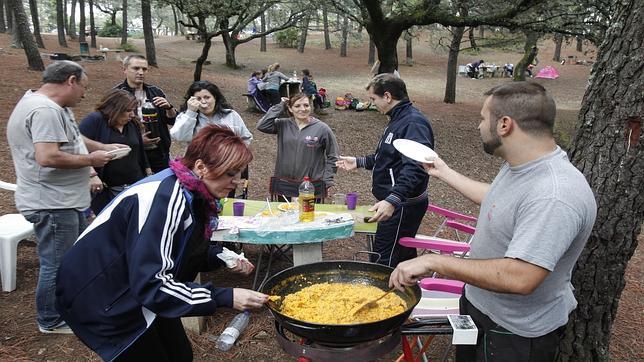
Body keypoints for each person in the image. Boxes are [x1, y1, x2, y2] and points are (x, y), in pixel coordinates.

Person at [389, 82, 597, 361]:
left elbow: (521, 277)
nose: (478, 126)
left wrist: (433, 261)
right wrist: (444, 172)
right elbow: (500, 199)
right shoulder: (521, 165)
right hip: (479, 306)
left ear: (504, 125)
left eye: (483, 118)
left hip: (514, 332)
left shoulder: (555, 194)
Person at [55, 125, 269, 361]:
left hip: (135, 288)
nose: (236, 182)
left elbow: (181, 247)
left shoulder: (194, 193)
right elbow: (152, 285)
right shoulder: (166, 199)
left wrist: (220, 256)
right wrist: (225, 297)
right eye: (230, 173)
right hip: (102, 299)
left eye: (239, 174)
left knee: (180, 354)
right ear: (200, 167)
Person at [6, 61, 119, 334]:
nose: (84, 94)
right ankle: (50, 320)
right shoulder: (44, 111)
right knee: (56, 264)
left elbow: (72, 139)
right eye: (83, 87)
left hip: (67, 200)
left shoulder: (52, 107)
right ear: (70, 80)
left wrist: (102, 146)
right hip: (53, 204)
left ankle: (73, 305)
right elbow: (48, 156)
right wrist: (92, 160)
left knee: (73, 259)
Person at [336, 74, 433, 267]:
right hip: (395, 203)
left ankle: (385, 295)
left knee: (384, 260)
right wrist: (359, 161)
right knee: (401, 257)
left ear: (387, 96)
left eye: (373, 99)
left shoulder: (413, 123)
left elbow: (416, 167)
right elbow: (388, 158)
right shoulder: (398, 119)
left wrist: (393, 199)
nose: (372, 103)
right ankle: (403, 291)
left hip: (402, 206)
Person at [171, 80, 253, 197]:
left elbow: (246, 137)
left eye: (207, 97)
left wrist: (237, 158)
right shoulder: (187, 116)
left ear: (215, 97)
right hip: (201, 171)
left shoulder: (230, 115)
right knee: (201, 201)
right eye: (198, 99)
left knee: (225, 200)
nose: (203, 102)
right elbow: (179, 136)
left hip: (227, 169)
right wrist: (191, 112)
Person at [80, 89, 151, 214]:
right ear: (115, 108)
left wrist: (148, 171)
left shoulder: (132, 124)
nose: (132, 115)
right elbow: (78, 148)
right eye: (128, 111)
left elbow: (139, 151)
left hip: (134, 183)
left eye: (133, 110)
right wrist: (92, 175)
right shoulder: (95, 120)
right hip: (106, 188)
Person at [257, 93, 339, 200]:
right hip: (284, 182)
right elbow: (262, 125)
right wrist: (280, 105)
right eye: (297, 106)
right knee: (284, 214)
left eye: (306, 105)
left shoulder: (322, 128)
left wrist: (327, 179)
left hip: (311, 184)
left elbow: (333, 155)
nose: (302, 109)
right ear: (290, 109)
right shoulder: (283, 125)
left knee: (309, 215)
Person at [114, 55, 177, 173]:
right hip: (131, 154)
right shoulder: (117, 95)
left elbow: (172, 120)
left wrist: (169, 108)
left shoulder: (155, 92)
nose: (141, 72)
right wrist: (137, 140)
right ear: (124, 70)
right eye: (136, 68)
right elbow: (110, 127)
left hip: (159, 153)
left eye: (144, 69)